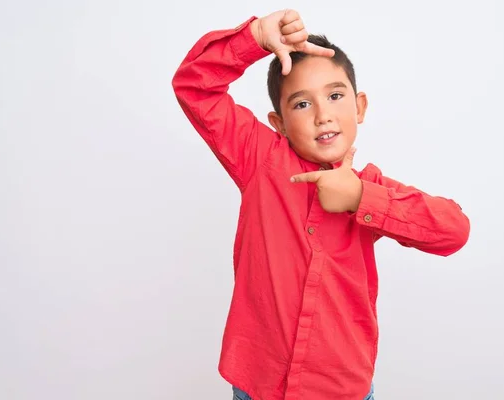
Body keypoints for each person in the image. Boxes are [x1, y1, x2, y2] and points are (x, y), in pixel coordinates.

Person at [172, 9, 470, 400]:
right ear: (278, 124)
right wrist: (255, 37)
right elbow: (195, 87)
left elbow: (453, 230)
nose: (322, 114)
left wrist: (361, 198)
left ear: (359, 107)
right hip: (259, 384)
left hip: (341, 388)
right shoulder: (260, 160)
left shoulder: (370, 187)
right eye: (301, 104)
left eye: (334, 95)